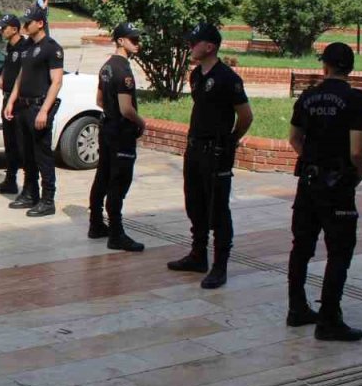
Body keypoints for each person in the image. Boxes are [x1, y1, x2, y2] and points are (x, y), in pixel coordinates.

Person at [286, 42, 362, 342]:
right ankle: (330, 319)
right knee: (339, 251)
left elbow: (294, 138)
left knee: (302, 248)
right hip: (338, 187)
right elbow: (357, 150)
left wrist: (312, 158)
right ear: (350, 67)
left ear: (325, 66)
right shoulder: (356, 99)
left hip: (308, 183)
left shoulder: (308, 96)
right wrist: (357, 173)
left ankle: (297, 309)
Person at [167, 23, 253, 289]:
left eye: (195, 42)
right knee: (195, 204)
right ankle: (198, 255)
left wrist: (230, 141)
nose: (190, 46)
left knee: (218, 209)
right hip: (194, 149)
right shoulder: (196, 75)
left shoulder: (228, 78)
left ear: (210, 46)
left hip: (216, 152)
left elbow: (246, 116)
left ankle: (219, 266)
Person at [88, 22, 146, 251]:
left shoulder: (106, 67)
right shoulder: (123, 70)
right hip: (121, 131)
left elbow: (99, 101)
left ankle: (95, 224)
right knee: (118, 181)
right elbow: (126, 109)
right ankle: (116, 233)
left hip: (107, 128)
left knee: (103, 175)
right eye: (133, 40)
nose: (137, 43)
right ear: (120, 41)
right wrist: (141, 123)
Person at [4, 4, 63, 217]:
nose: (25, 26)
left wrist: (44, 110)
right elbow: (21, 76)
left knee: (43, 156)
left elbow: (56, 82)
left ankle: (48, 200)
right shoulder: (27, 46)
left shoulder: (51, 47)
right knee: (26, 154)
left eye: (28, 22)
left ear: (40, 23)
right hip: (23, 106)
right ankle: (30, 193)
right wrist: (11, 101)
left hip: (38, 107)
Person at [0, 14, 25, 196]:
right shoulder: (10, 47)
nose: (1, 31)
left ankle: (29, 186)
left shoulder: (24, 48)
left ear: (15, 29)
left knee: (21, 144)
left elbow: (24, 74)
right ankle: (10, 180)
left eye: (4, 27)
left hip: (19, 101)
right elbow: (9, 66)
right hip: (7, 98)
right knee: (9, 143)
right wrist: (2, 76)